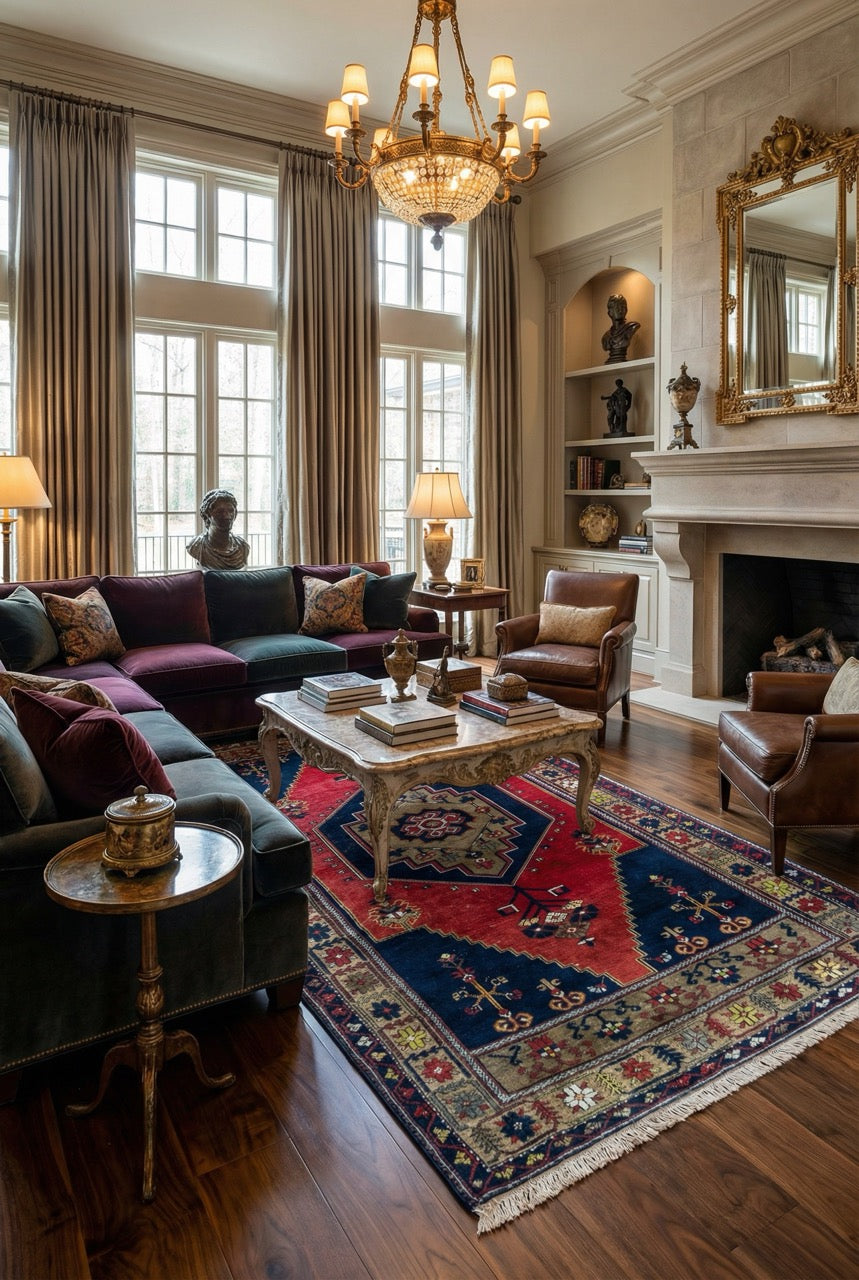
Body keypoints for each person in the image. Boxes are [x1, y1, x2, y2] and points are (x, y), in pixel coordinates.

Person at [187, 489, 250, 570]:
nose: (227, 516)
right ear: (207, 515)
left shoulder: (242, 546)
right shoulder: (196, 546)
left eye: (231, 511)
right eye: (220, 511)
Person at [601, 294, 641, 364]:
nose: (620, 310)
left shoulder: (631, 327)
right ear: (610, 312)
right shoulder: (606, 337)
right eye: (617, 307)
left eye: (623, 307)